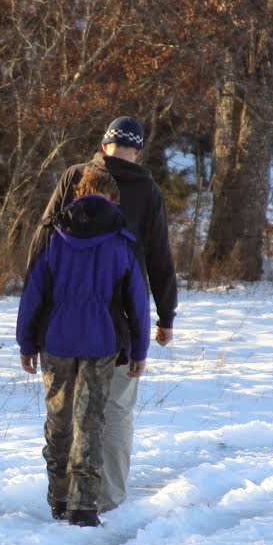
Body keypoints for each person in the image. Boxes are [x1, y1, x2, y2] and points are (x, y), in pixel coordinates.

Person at [30, 114, 177, 512]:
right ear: (139, 150)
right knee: (112, 411)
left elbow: (43, 240)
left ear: (103, 144)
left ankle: (62, 495)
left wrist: (35, 308)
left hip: (60, 322)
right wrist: (165, 316)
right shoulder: (148, 190)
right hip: (119, 323)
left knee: (63, 414)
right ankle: (105, 496)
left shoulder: (74, 176)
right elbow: (160, 258)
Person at [17, 162, 150, 527]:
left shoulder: (51, 233)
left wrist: (26, 342)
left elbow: (33, 292)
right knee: (90, 423)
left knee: (59, 421)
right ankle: (84, 506)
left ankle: (58, 498)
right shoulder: (123, 238)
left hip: (56, 340)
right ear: (112, 199)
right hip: (102, 341)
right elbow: (137, 300)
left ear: (78, 192)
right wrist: (139, 350)